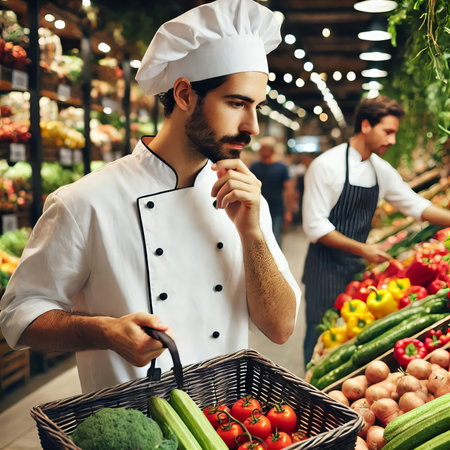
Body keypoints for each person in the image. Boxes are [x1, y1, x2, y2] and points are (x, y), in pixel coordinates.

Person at [0, 0, 300, 393]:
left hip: (227, 422)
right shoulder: (84, 202)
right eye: (237, 103)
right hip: (133, 423)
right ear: (184, 95)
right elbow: (18, 315)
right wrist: (102, 331)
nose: (253, 126)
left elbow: (280, 329)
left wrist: (253, 234)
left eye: (256, 106)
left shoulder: (242, 199)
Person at [301, 95, 450, 365]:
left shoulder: (380, 170)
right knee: (318, 337)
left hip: (357, 268)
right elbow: (315, 227)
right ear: (366, 125)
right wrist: (364, 249)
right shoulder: (326, 166)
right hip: (325, 268)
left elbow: (415, 205)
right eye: (388, 132)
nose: (392, 140)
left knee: (344, 340)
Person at [250, 136, 296, 246]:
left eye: (262, 148)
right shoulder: (255, 166)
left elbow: (289, 190)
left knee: (274, 240)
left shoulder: (281, 168)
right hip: (257, 208)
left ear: (270, 150)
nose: (260, 151)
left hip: (276, 210)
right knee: (257, 239)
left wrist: (289, 211)